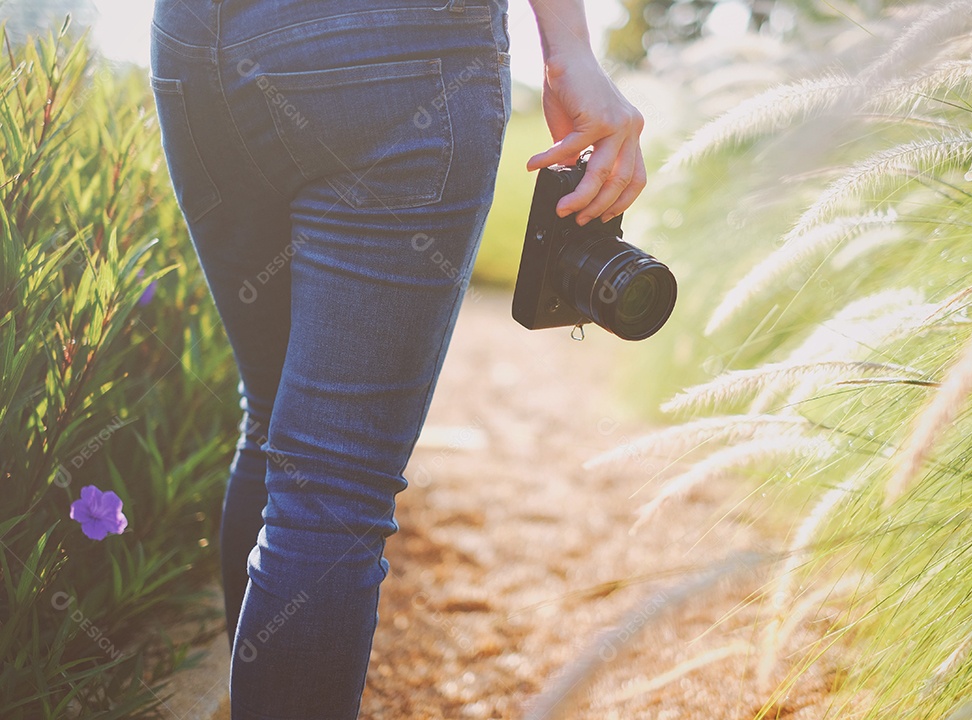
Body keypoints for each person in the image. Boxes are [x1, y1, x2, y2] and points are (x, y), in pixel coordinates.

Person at [149, 0, 645, 717]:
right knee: (330, 487)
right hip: (400, 43)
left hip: (198, 43)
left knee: (273, 424)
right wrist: (568, 49)